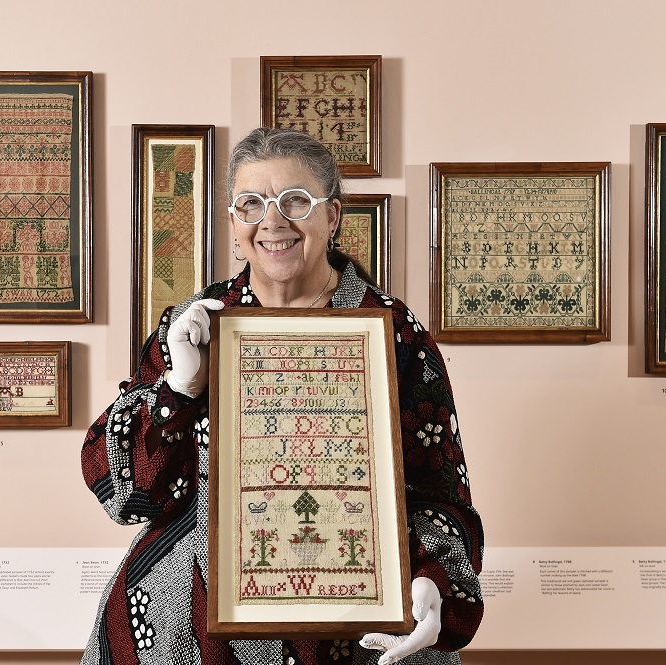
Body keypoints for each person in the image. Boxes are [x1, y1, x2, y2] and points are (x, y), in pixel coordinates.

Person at [80, 127, 484, 665]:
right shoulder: (194, 324)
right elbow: (123, 493)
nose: (272, 222)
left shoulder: (392, 331)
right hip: (190, 626)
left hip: (360, 630)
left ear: (332, 216)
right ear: (233, 222)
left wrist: (432, 577)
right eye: (251, 204)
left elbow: (440, 492)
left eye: (295, 201)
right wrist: (181, 389)